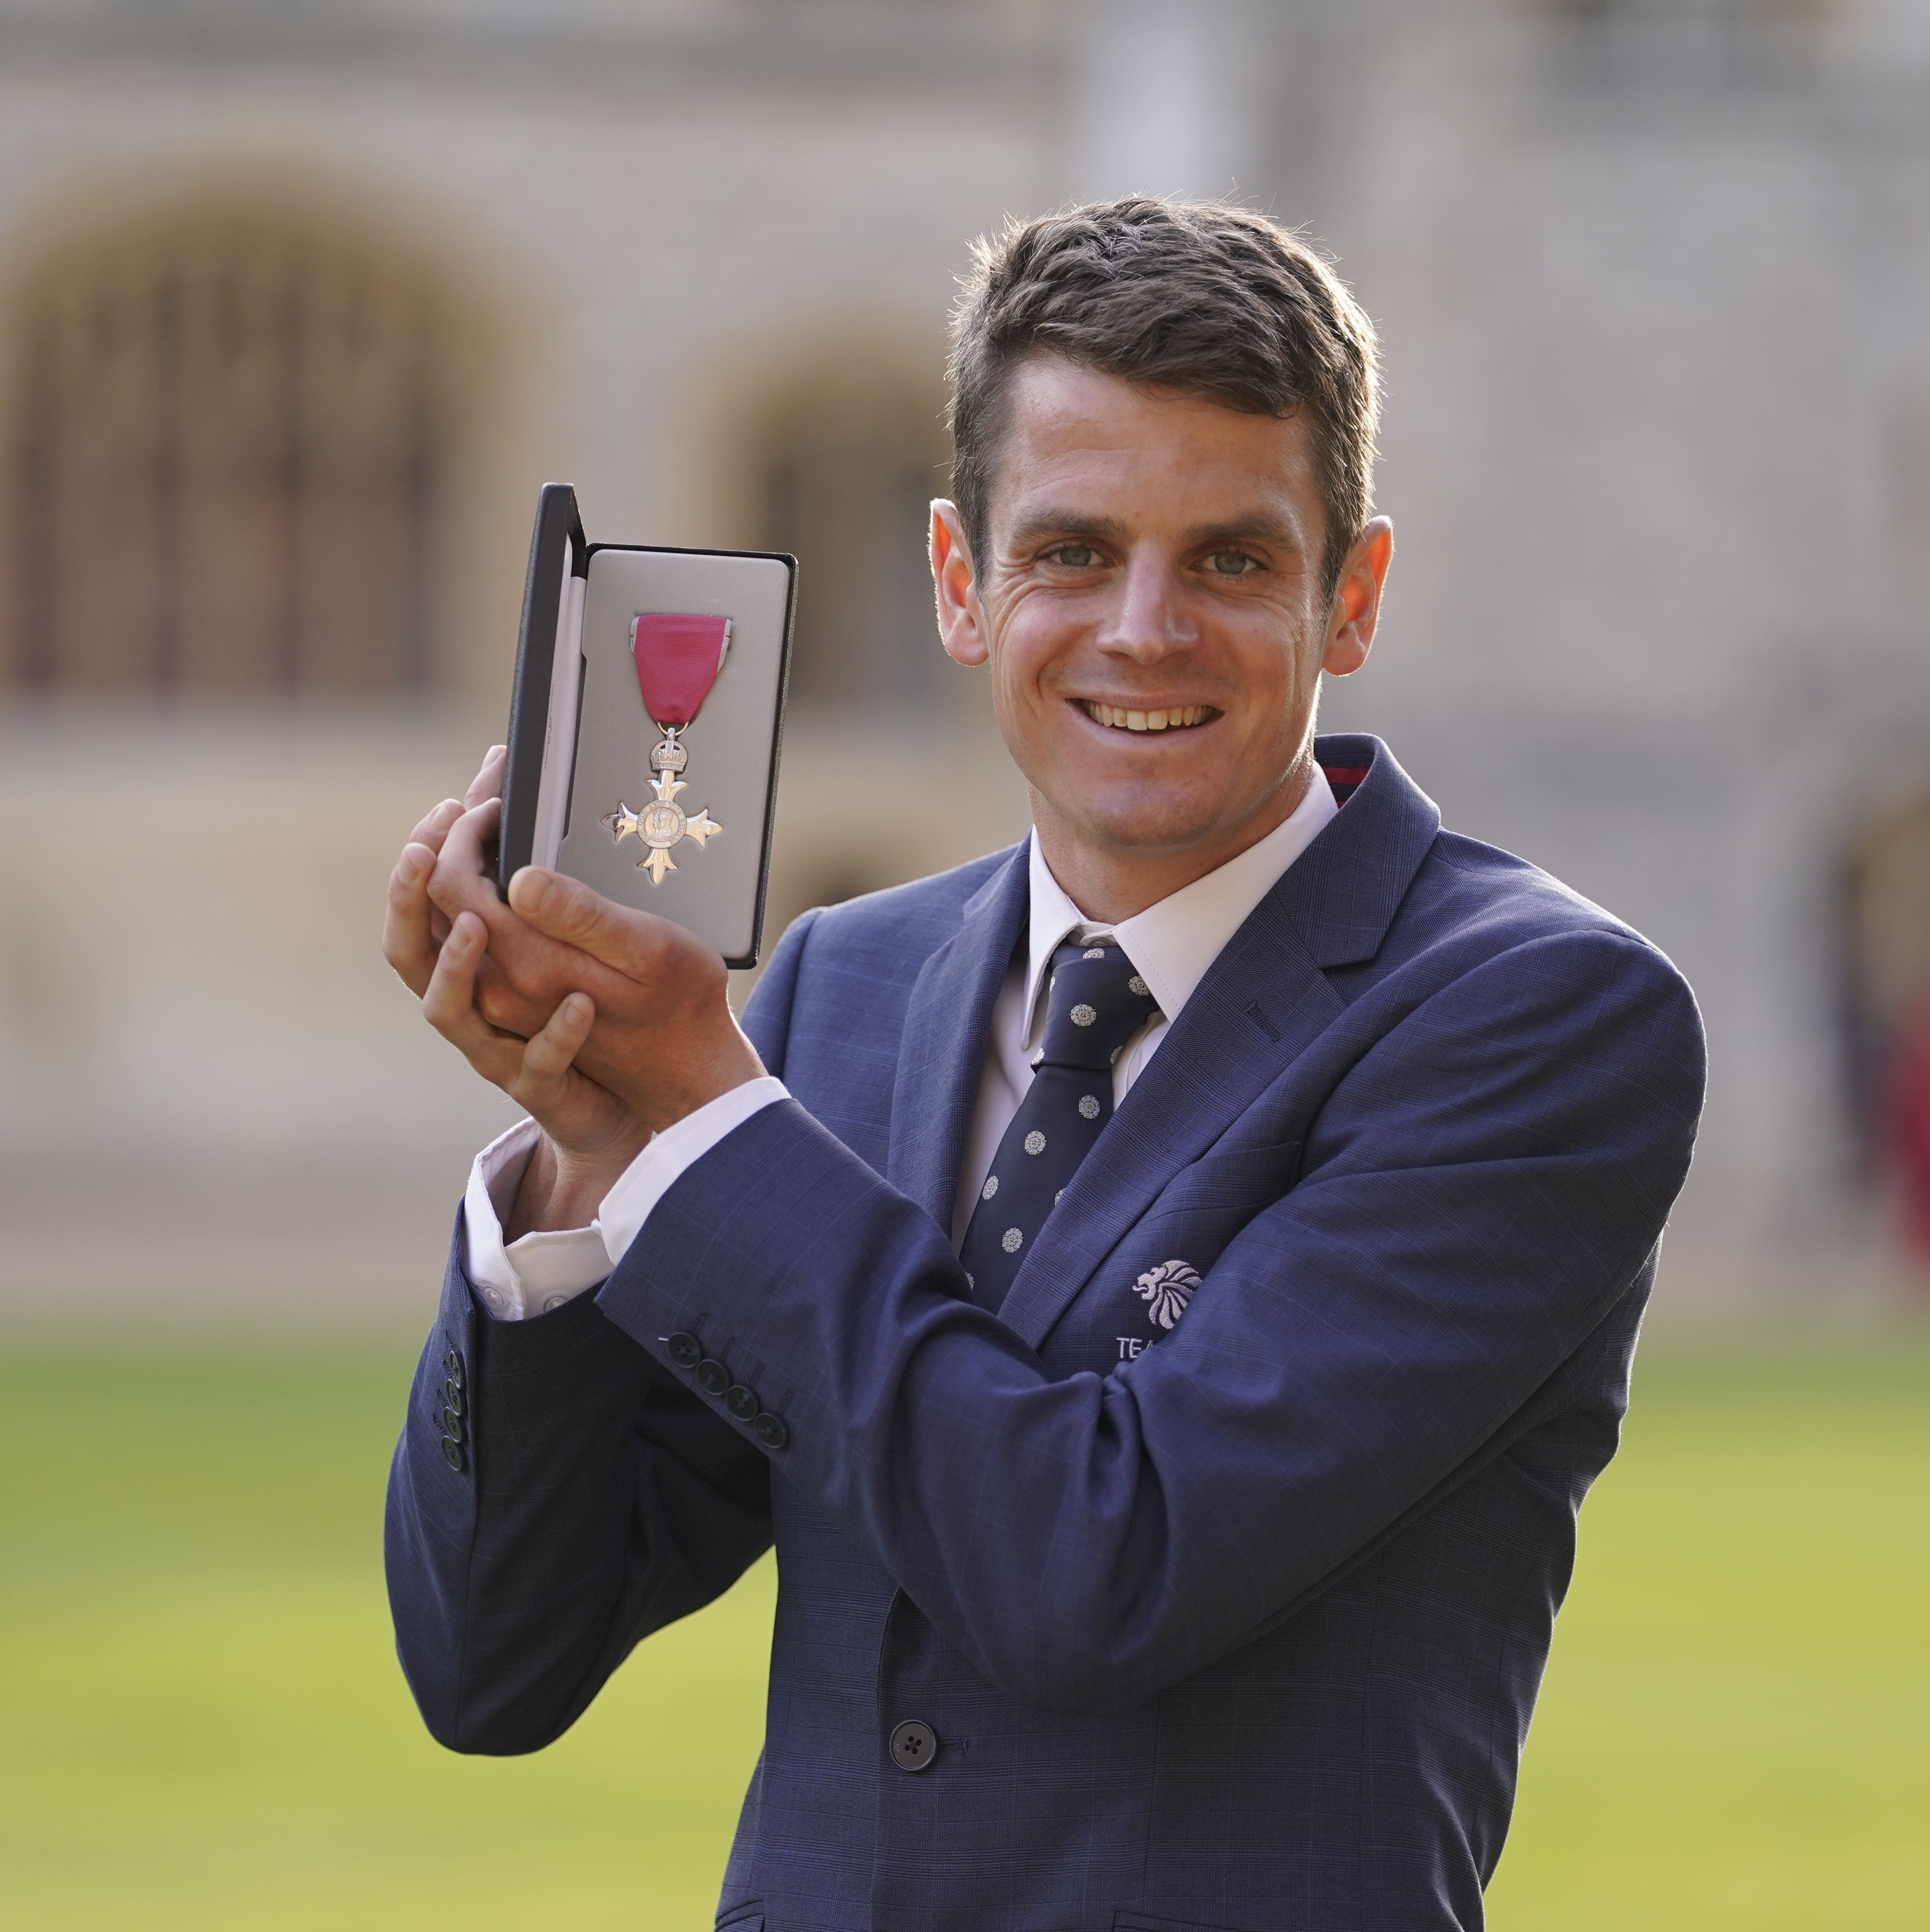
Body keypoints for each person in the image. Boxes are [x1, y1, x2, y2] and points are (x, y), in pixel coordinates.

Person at [381, 198, 1704, 1932]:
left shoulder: (1536, 1020)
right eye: (1072, 551)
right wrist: (580, 1155)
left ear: (1354, 594)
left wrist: (700, 1120)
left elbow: (1102, 1569)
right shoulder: (842, 991)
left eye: (1230, 559)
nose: (1143, 629)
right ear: (959, 580)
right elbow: (501, 1664)